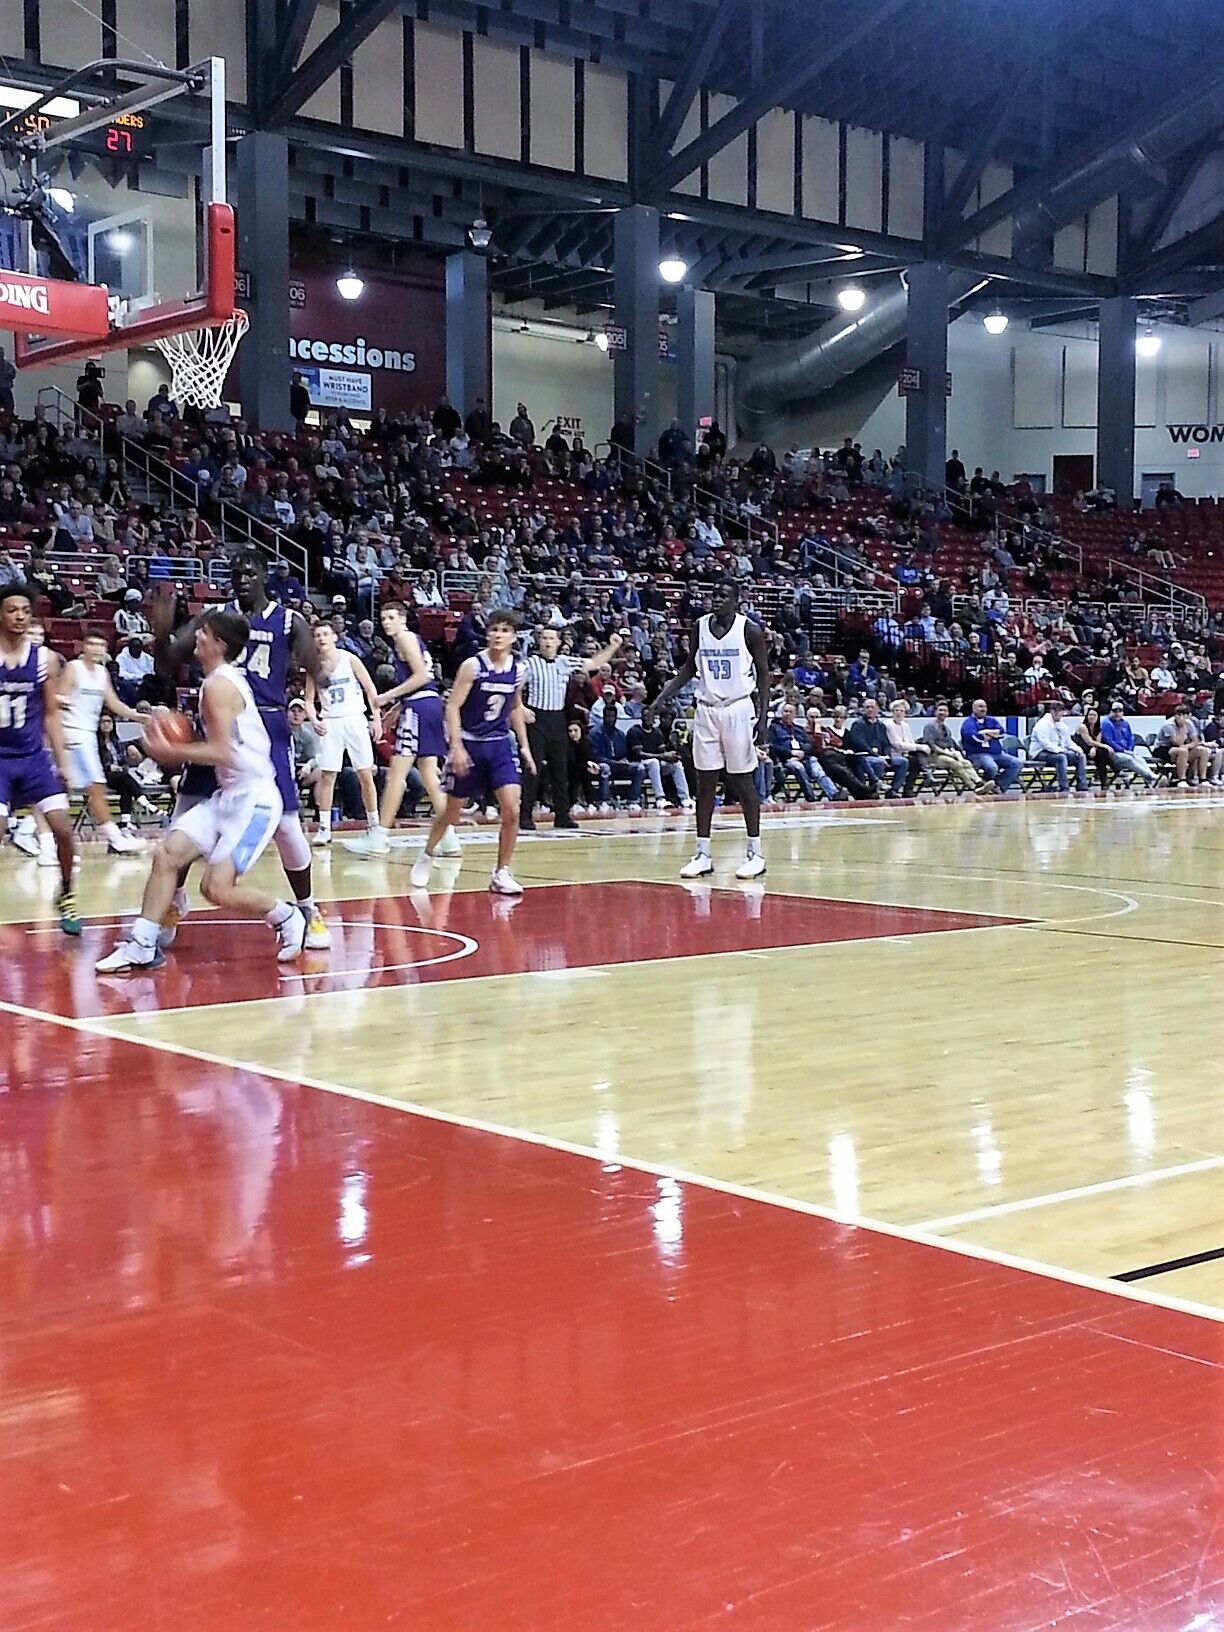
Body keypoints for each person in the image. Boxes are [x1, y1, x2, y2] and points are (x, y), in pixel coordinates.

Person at [96, 610, 306, 972]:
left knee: (216, 889)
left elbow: (223, 751)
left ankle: (287, 916)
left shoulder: (220, 686)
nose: (197, 637)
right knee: (168, 855)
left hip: (255, 800)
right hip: (228, 795)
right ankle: (142, 944)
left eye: (203, 633)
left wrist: (169, 751)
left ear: (219, 644)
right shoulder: (216, 680)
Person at [151, 553, 331, 952]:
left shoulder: (289, 620)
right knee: (185, 814)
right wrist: (161, 634)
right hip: (218, 720)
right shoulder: (215, 618)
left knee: (286, 826)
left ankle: (307, 908)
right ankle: (171, 904)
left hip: (265, 725)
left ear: (265, 577)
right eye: (236, 574)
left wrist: (313, 692)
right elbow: (169, 659)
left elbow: (316, 667)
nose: (243, 579)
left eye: (251, 572)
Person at [409, 609, 535, 895]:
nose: (497, 635)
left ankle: (501, 872)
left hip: (500, 743)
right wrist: (456, 747)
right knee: (452, 812)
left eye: (504, 630)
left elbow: (514, 707)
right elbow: (452, 707)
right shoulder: (473, 666)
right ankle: (427, 853)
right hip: (470, 742)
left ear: (513, 637)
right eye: (493, 630)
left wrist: (524, 746)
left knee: (512, 808)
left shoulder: (519, 669)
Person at [654, 577, 769, 880]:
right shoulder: (700, 627)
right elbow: (690, 667)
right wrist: (660, 699)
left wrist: (764, 721)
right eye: (714, 594)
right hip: (706, 710)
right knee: (704, 784)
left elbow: (765, 678)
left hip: (738, 708)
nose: (716, 599)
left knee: (743, 783)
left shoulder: (750, 630)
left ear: (736, 600)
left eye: (724, 595)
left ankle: (755, 852)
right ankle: (702, 852)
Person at [343, 601, 458, 858]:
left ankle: (380, 836)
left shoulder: (405, 638)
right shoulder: (411, 639)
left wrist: (386, 697)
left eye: (391, 616)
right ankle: (448, 837)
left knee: (397, 775)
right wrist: (396, 709)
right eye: (383, 617)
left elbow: (421, 677)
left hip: (419, 708)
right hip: (428, 705)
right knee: (429, 772)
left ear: (403, 619)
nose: (386, 621)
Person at [0, 582, 79, 933]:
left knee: (63, 828)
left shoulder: (44, 659)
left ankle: (67, 895)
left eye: (25, 611)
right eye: (12, 610)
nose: (19, 617)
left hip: (32, 757)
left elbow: (50, 714)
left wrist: (62, 761)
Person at [519, 626, 624, 830]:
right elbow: (515, 687)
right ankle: (525, 815)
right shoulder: (529, 663)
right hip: (537, 718)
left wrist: (613, 646)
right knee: (533, 769)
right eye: (544, 638)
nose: (548, 642)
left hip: (558, 718)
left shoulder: (565, 662)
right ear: (539, 642)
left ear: (559, 642)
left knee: (561, 768)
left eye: (552, 638)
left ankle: (562, 815)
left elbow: (593, 663)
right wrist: (520, 707)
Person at [58, 631, 146, 852]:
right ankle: (116, 839)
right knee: (95, 786)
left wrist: (138, 716)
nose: (97, 649)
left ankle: (32, 832)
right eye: (93, 645)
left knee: (62, 789)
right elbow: (58, 698)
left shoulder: (102, 673)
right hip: (72, 734)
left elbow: (113, 702)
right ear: (83, 647)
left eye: (101, 646)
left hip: (87, 736)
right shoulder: (73, 668)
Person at [305, 622, 382, 845]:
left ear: (335, 637)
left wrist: (376, 718)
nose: (321, 638)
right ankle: (324, 828)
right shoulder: (314, 667)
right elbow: (309, 701)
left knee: (365, 774)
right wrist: (314, 718)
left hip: (355, 718)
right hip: (330, 722)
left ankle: (374, 825)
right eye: (318, 635)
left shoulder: (350, 659)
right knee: (327, 775)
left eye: (326, 634)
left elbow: (370, 689)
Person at [1028, 701, 1089, 793]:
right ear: (1051, 711)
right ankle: (1064, 787)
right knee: (1061, 757)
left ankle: (1082, 785)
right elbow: (1045, 743)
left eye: (1059, 711)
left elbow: (1068, 742)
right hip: (1039, 752)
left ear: (1063, 712)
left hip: (1059, 751)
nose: (1057, 713)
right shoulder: (1042, 724)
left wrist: (1078, 749)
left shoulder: (1063, 726)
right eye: (1054, 710)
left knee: (1080, 756)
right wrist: (1059, 750)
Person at [960, 699, 1021, 792]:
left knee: (1017, 763)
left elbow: (1001, 732)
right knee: (992, 767)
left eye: (984, 707)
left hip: (997, 753)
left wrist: (985, 733)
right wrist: (989, 734)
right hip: (977, 754)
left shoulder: (991, 720)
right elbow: (973, 737)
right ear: (974, 709)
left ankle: (998, 786)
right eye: (980, 707)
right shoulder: (968, 722)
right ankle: (987, 786)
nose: (983, 709)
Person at [921, 700, 981, 792]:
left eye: (944, 711)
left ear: (948, 713)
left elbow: (950, 744)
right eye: (940, 710)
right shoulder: (930, 726)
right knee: (955, 764)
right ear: (936, 712)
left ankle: (979, 782)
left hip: (947, 754)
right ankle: (973, 787)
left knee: (966, 763)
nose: (942, 712)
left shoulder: (947, 728)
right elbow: (931, 746)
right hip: (933, 756)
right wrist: (947, 753)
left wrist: (954, 752)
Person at [1099, 701, 1157, 788]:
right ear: (1110, 712)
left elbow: (1131, 739)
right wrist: (1123, 750)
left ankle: (1150, 781)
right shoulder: (1106, 723)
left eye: (1119, 711)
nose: (1117, 714)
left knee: (1139, 758)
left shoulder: (1125, 724)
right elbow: (1109, 741)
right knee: (1129, 759)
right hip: (1112, 753)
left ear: (1122, 712)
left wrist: (1129, 750)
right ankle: (1151, 776)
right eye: (1115, 711)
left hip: (1126, 751)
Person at [1154, 705, 1211, 789]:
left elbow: (1195, 741)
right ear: (1175, 715)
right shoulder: (1168, 725)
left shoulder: (1189, 723)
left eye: (1184, 715)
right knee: (1182, 751)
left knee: (1202, 750)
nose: (1182, 717)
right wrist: (1182, 728)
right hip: (1163, 749)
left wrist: (1186, 746)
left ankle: (1203, 779)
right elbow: (1177, 743)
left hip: (1182, 747)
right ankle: (1182, 780)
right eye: (1179, 715)